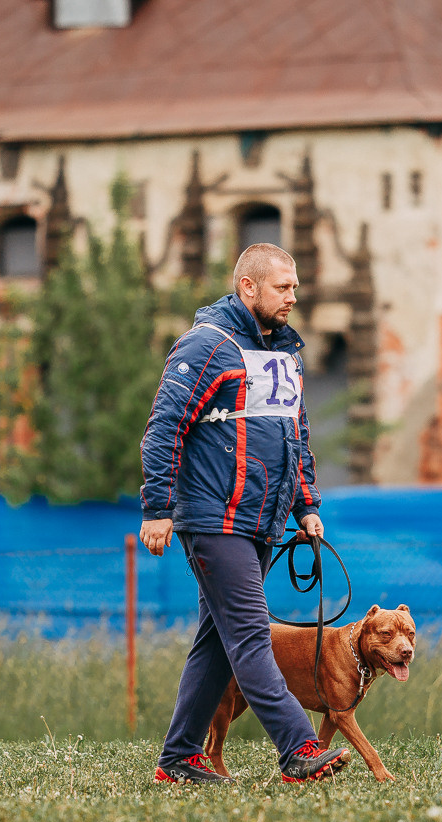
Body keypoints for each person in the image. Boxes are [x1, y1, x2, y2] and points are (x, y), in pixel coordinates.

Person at [139, 243, 351, 784]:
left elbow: (295, 437)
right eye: (283, 287)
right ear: (248, 287)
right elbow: (164, 428)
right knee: (253, 635)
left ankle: (179, 758)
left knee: (217, 642)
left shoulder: (285, 355)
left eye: (295, 287)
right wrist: (158, 508)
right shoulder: (207, 345)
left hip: (260, 520)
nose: (293, 297)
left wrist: (307, 506)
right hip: (212, 518)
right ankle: (297, 747)